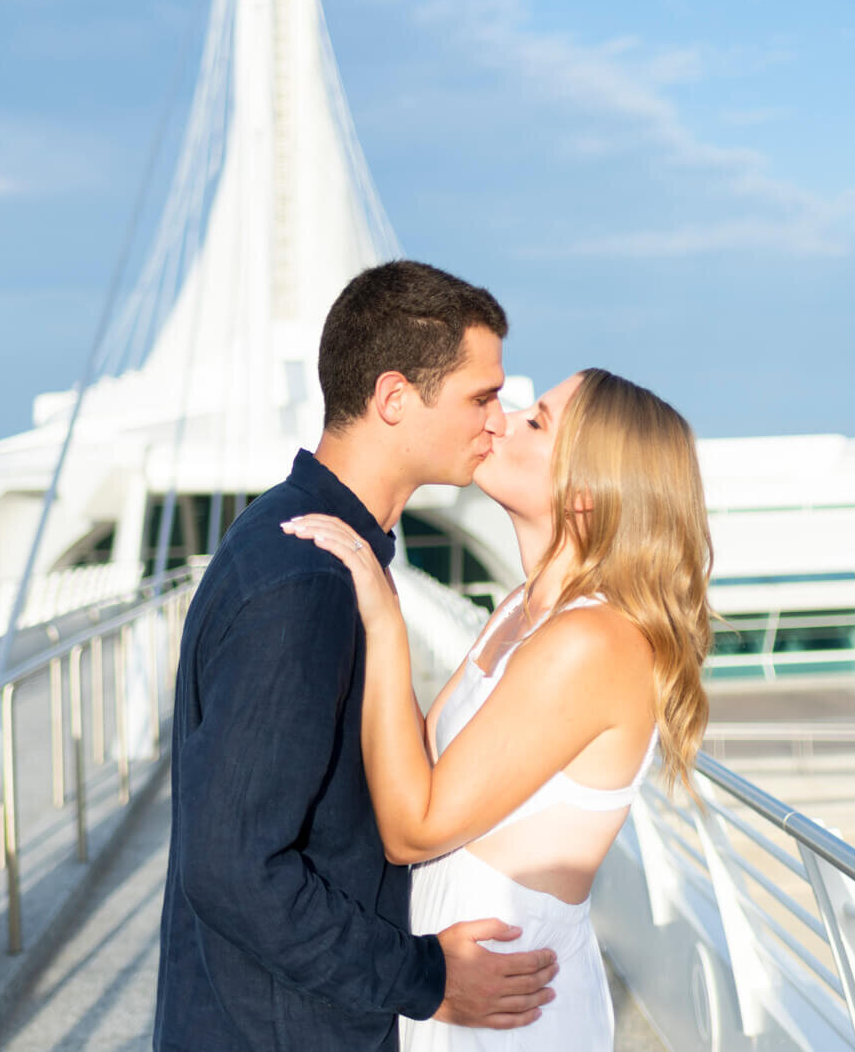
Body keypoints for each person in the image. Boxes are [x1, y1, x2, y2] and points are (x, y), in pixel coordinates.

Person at [153, 260, 559, 1052]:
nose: (497, 421)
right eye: (481, 395)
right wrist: (427, 980)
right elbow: (233, 868)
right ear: (394, 398)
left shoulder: (314, 549)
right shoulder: (303, 578)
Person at [284, 368, 714, 1050]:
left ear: (585, 494)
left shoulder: (590, 640)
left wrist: (384, 619)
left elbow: (413, 827)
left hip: (514, 1006)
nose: (499, 420)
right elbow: (418, 763)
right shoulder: (521, 610)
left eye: (535, 421)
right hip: (456, 983)